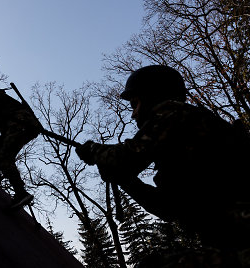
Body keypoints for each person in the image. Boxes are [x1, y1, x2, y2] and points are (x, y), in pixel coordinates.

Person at [75, 65, 250, 267]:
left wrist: (93, 150)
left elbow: (125, 158)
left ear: (152, 96)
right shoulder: (188, 143)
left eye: (135, 104)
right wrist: (126, 181)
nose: (133, 114)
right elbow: (170, 208)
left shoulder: (176, 115)